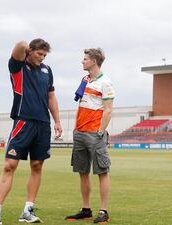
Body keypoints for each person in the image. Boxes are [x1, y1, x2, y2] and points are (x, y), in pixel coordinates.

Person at [0, 38, 63, 225]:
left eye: (44, 55)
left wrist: (57, 121)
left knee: (37, 166)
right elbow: (21, 44)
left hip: (43, 125)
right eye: (39, 54)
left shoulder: (47, 70)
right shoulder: (18, 66)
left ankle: (28, 210)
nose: (42, 58)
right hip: (22, 122)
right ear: (30, 51)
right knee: (9, 165)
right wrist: (28, 52)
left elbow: (51, 96)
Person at [65, 48, 114, 224]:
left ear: (94, 61)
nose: (82, 61)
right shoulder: (85, 80)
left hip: (95, 133)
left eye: (85, 59)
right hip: (80, 132)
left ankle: (104, 210)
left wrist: (100, 131)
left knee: (102, 171)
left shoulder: (106, 83)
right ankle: (86, 209)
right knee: (82, 172)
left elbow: (108, 110)